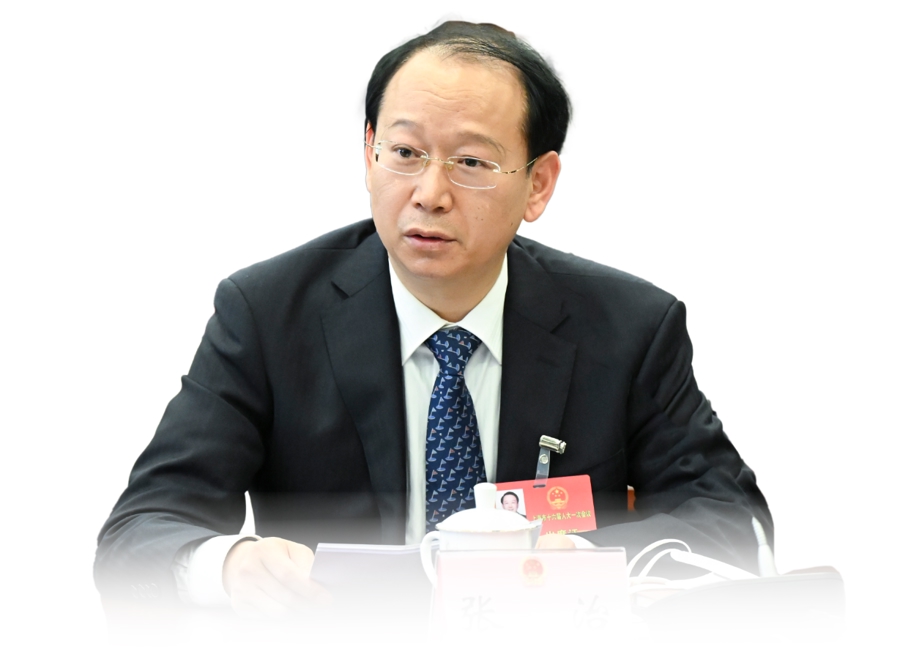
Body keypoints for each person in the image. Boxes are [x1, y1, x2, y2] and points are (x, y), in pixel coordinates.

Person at [95, 21, 772, 620]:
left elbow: (733, 525)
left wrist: (582, 564)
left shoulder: (627, 328)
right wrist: (230, 567)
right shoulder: (268, 315)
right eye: (405, 153)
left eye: (471, 162)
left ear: (538, 183)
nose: (430, 193)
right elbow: (138, 534)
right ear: (369, 153)